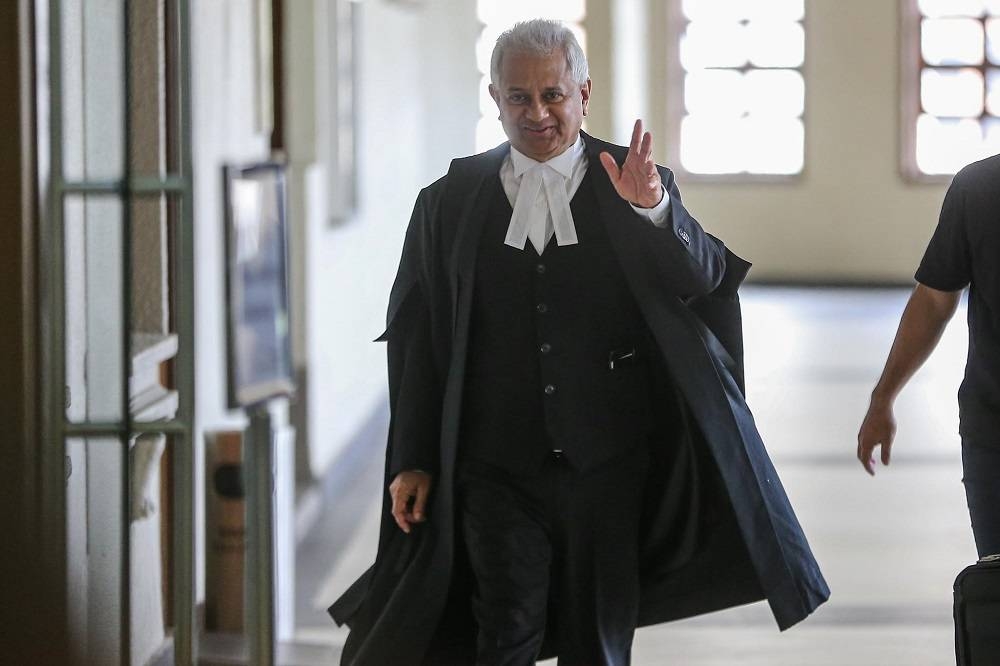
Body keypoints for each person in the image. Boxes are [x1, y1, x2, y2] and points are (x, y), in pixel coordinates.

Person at [331, 19, 828, 665]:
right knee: (503, 630)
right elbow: (418, 340)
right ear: (495, 98)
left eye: (553, 95)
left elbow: (703, 278)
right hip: (493, 467)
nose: (537, 112)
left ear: (583, 92)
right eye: (518, 97)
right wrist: (414, 458)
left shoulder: (637, 178)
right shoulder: (449, 202)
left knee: (597, 640)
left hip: (609, 464)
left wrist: (652, 209)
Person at [858, 154, 1000, 560]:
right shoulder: (980, 188)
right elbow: (935, 299)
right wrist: (883, 397)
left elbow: (935, 301)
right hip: (993, 435)